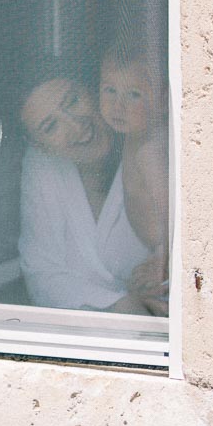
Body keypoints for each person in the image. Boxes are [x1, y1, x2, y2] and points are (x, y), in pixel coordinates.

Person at [18, 73, 165, 314]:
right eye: (51, 126)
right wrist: (122, 306)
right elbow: (41, 273)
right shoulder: (41, 163)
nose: (76, 126)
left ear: (92, 90)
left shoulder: (148, 143)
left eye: (73, 101)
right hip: (95, 335)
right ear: (40, 144)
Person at [99, 45, 169, 315]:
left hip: (163, 258)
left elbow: (169, 212)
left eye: (134, 95)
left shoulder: (149, 151)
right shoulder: (134, 136)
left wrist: (163, 258)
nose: (118, 106)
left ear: (162, 102)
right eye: (110, 90)